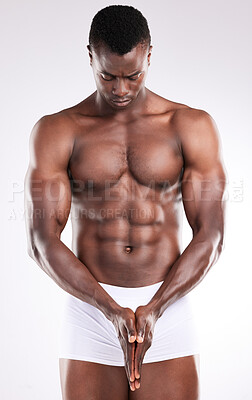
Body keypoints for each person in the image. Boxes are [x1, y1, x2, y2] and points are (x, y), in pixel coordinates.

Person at [24, 4, 227, 400]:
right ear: (90, 56)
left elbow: (212, 235)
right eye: (107, 75)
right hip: (90, 309)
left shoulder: (190, 125)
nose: (121, 90)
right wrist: (110, 309)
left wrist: (154, 308)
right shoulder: (58, 130)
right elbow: (41, 242)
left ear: (149, 55)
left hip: (168, 306)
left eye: (133, 75)